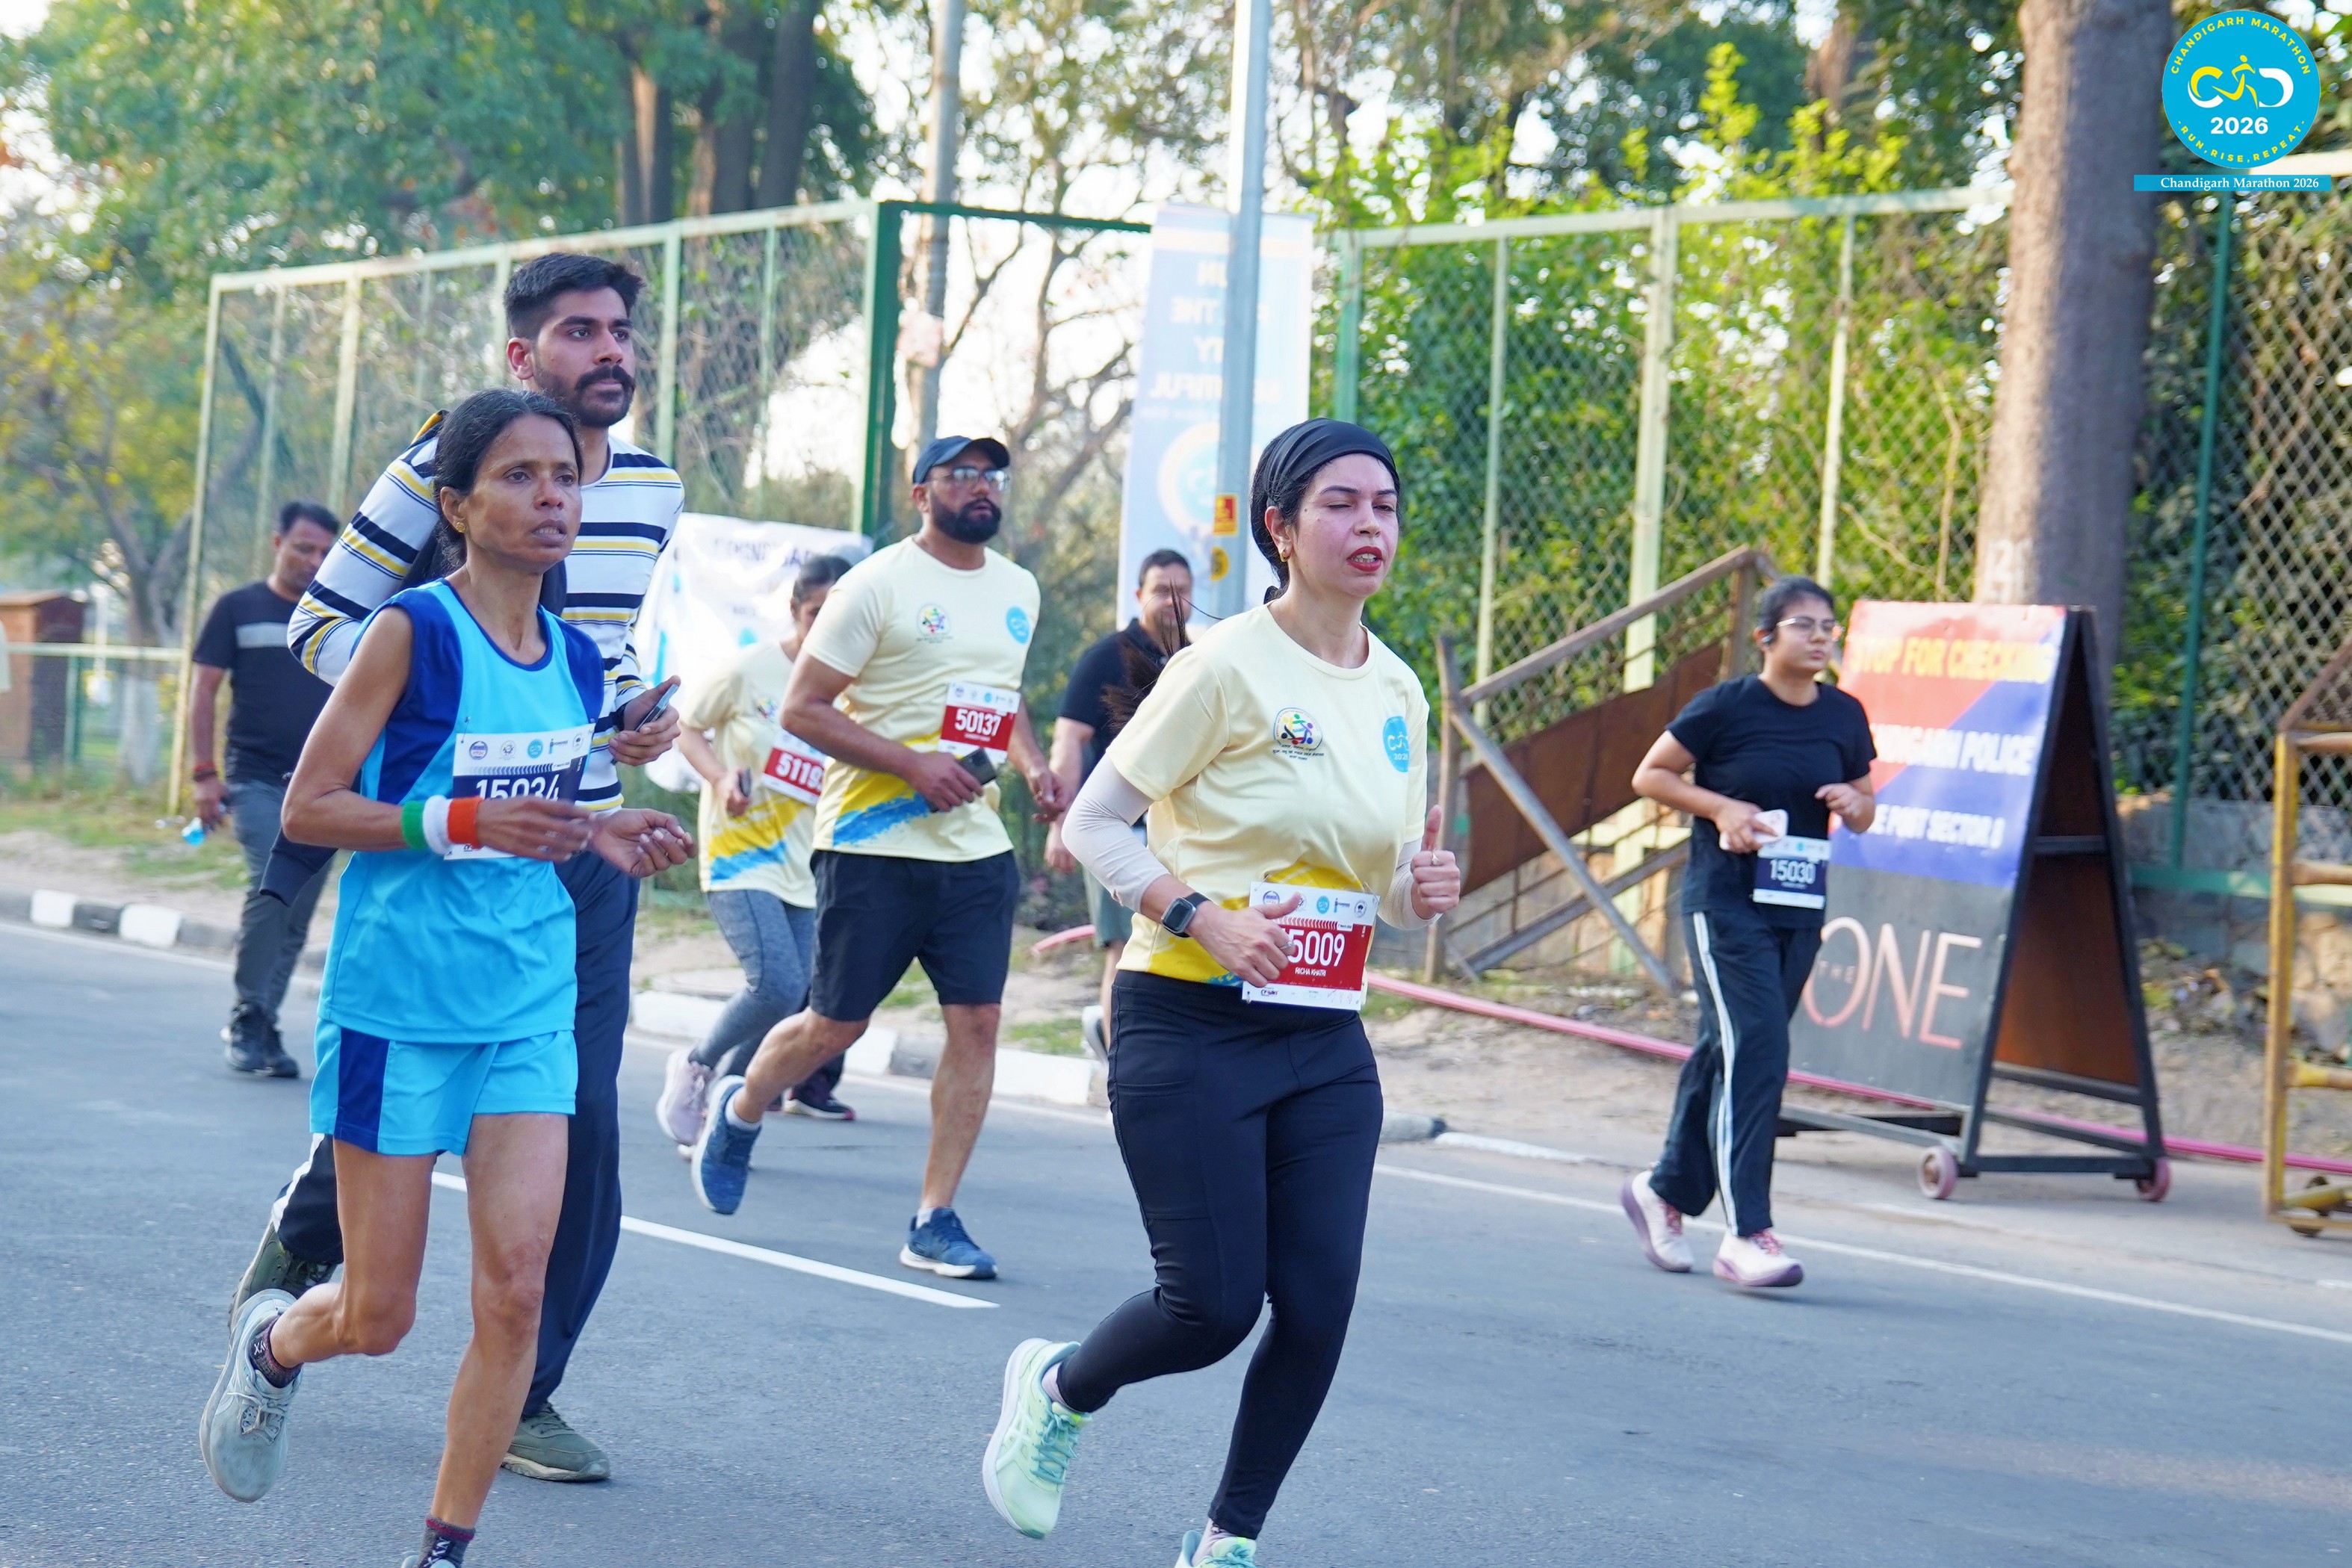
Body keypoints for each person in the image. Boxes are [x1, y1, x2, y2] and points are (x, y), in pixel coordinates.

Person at [196, 390, 691, 1568]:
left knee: (516, 1289)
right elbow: (311, 806)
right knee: (379, 1314)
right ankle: (274, 1345)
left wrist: (605, 829)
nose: (551, 496)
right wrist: (459, 819)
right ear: (458, 506)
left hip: (527, 1001)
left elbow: (538, 810)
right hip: (399, 1005)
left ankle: (443, 1549)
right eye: (519, 476)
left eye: (565, 476)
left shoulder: (578, 658)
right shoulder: (410, 632)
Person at [981, 419, 1461, 1567]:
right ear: (1281, 529)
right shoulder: (1223, 666)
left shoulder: (1397, 689)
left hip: (1324, 1032)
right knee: (1210, 1305)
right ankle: (1059, 1386)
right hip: (1187, 1018)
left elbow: (1388, 887)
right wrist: (1201, 912)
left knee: (1319, 1301)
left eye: (1385, 505)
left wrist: (1420, 887)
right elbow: (1096, 821)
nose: (1370, 525)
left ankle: (1227, 1538)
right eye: (1340, 504)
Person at [689, 435, 1068, 1284]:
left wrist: (1035, 764)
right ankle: (742, 1104)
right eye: (959, 474)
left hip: (975, 845)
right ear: (921, 492)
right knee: (835, 1025)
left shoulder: (1018, 588)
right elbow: (804, 708)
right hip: (871, 843)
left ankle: (934, 1217)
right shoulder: (875, 584)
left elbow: (1000, 697)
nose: (979, 487)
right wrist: (911, 765)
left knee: (978, 1022)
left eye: (990, 474)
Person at [1618, 575, 1876, 1289]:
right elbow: (1651, 774)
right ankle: (1746, 1233)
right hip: (1725, 904)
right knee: (1759, 1046)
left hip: (1799, 907)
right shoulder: (1726, 706)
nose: (1820, 637)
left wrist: (1853, 802)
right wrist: (1723, 808)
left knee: (1730, 1046)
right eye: (1804, 625)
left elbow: (1865, 806)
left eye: (1828, 627)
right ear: (1766, 637)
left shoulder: (1844, 714)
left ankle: (1663, 1190)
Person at [654, 552, 857, 1147]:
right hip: (740, 852)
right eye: (818, 613)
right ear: (795, 610)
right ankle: (697, 1064)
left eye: (842, 617)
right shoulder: (752, 670)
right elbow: (686, 727)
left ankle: (723, 1097)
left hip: (806, 862)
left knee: (791, 997)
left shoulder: (853, 688)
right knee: (774, 983)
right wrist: (721, 778)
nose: (828, 628)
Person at [188, 501, 341, 1078]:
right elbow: (203, 691)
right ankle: (248, 1012)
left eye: (325, 551)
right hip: (254, 779)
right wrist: (204, 774)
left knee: (298, 910)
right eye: (304, 547)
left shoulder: (340, 617)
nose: (315, 560)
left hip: (325, 788)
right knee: (271, 885)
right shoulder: (238, 607)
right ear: (278, 544)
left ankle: (264, 1019)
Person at [1045, 548, 1192, 1051]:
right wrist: (1059, 823)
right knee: (1124, 946)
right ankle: (1117, 1060)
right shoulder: (1107, 656)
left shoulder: (1195, 661)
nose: (1173, 601)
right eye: (1161, 590)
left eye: (1182, 591)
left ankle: (1144, 1048)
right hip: (1115, 827)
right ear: (1138, 595)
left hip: (1178, 830)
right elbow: (1069, 740)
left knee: (1178, 946)